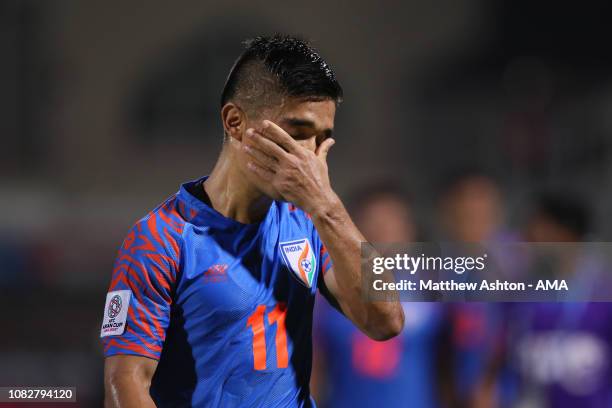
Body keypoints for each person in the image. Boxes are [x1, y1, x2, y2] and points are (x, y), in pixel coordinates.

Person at [100, 35, 404, 407]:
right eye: (297, 133)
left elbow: (385, 320)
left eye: (322, 139)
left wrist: (327, 205)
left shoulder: (310, 221)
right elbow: (127, 380)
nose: (309, 158)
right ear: (235, 122)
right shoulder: (161, 239)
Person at [312, 183, 447, 408]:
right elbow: (314, 364)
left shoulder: (433, 287)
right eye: (373, 220)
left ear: (410, 229)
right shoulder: (328, 291)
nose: (384, 230)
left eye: (393, 220)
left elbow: (449, 365)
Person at [508, 192, 612, 408]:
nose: (527, 236)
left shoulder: (603, 289)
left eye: (537, 226)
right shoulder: (524, 291)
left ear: (563, 233)